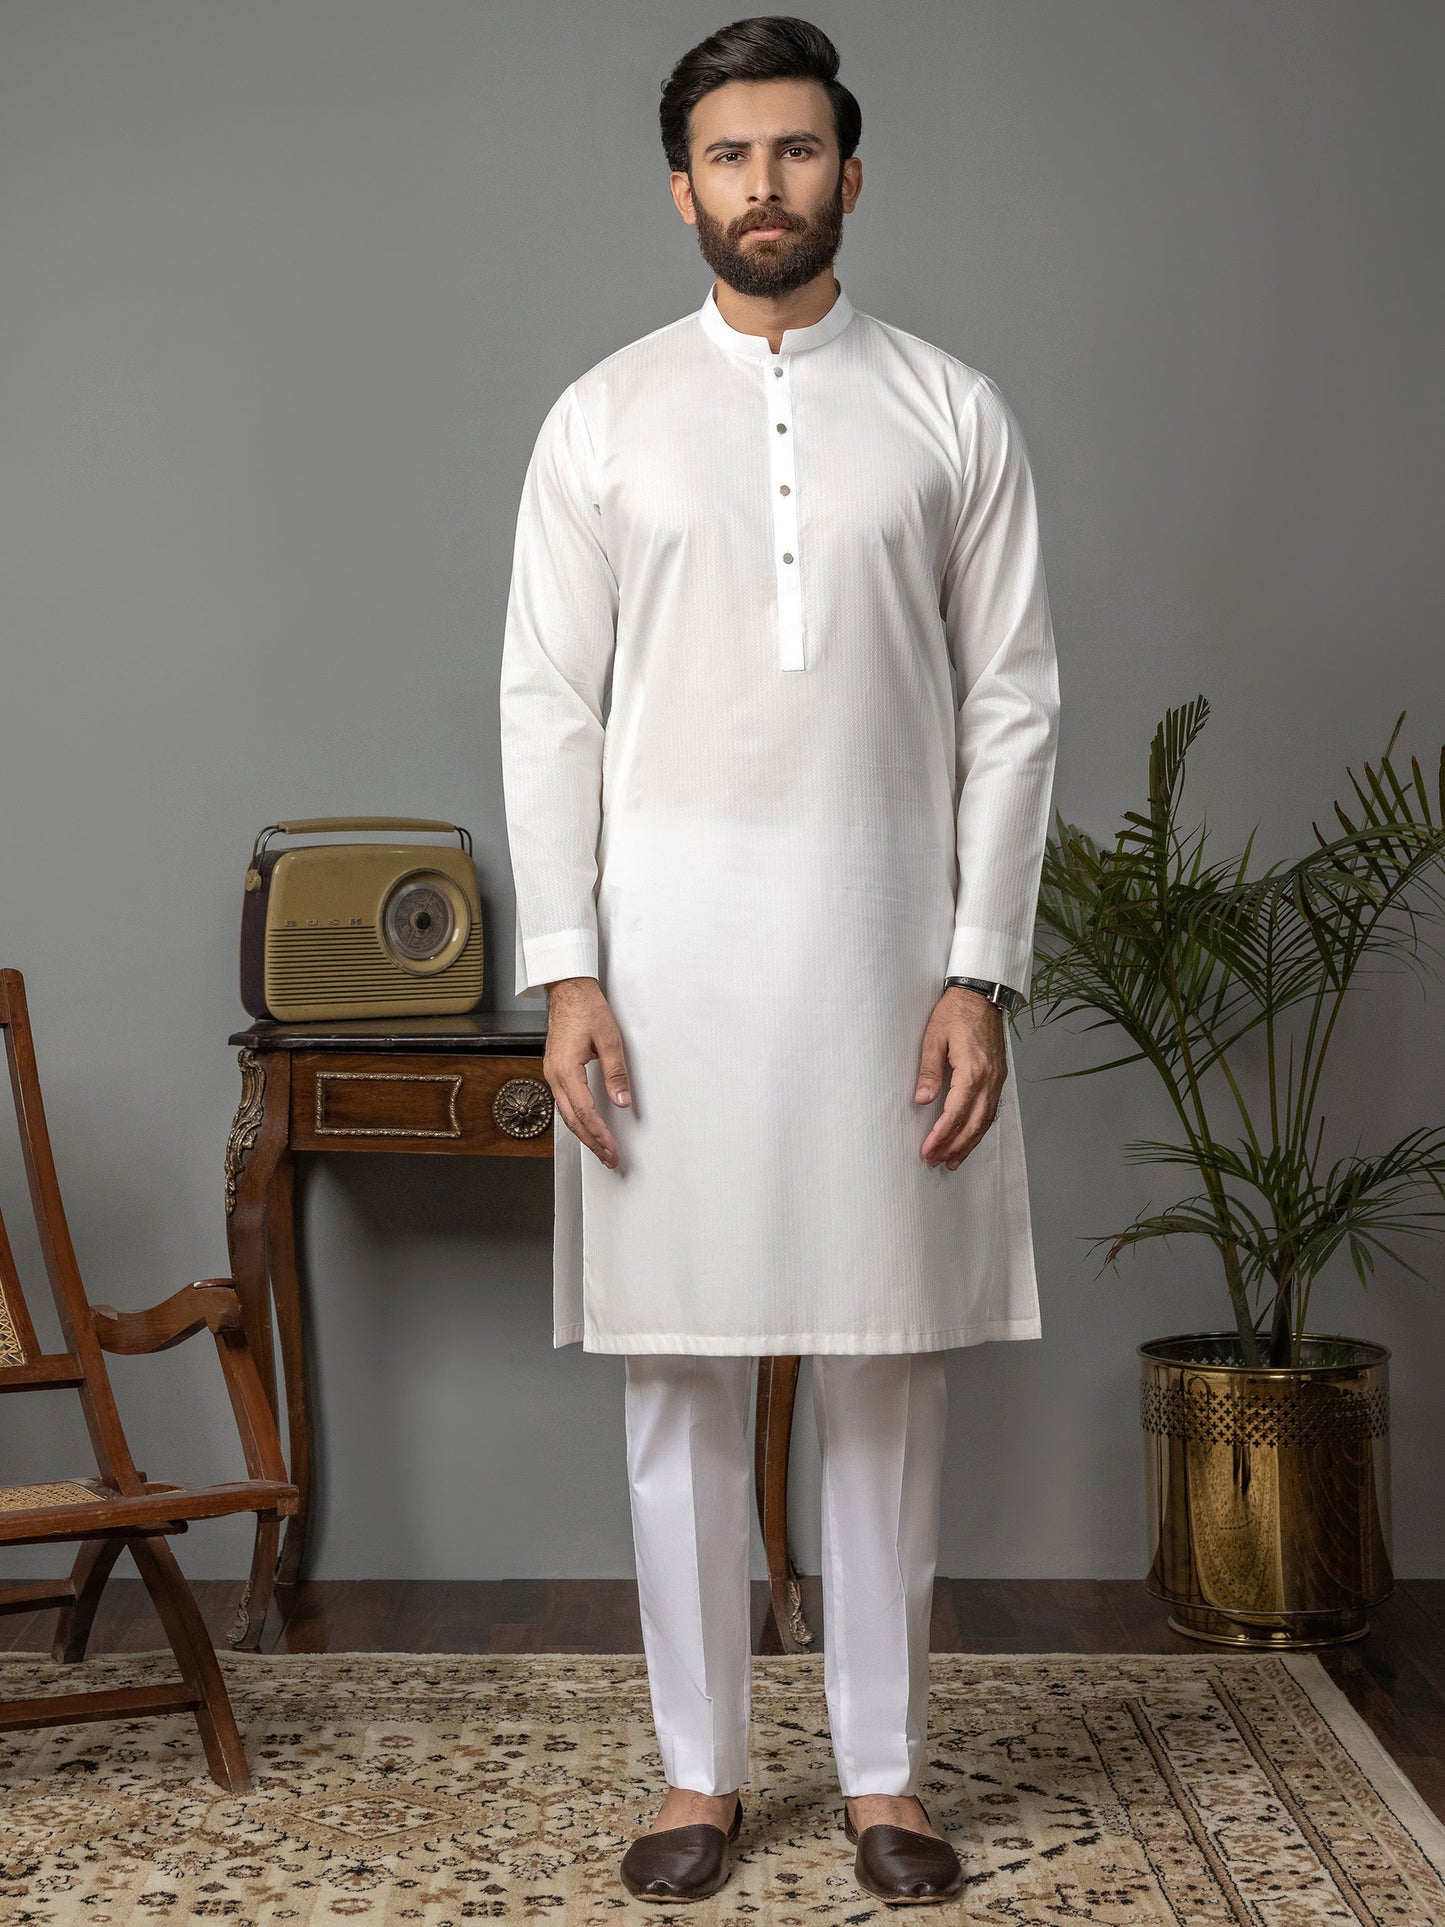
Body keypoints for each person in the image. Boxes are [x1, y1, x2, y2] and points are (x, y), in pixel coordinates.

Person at [498, 13, 1060, 1906]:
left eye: (797, 149)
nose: (766, 184)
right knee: (675, 1371)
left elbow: (1013, 707)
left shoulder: (953, 411)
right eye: (730, 155)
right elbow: (548, 706)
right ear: (683, 189)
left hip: (891, 961)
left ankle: (886, 1781)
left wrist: (977, 970)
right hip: (662, 972)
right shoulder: (599, 418)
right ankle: (698, 1776)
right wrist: (568, 970)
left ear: (849, 172)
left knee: (883, 1367)